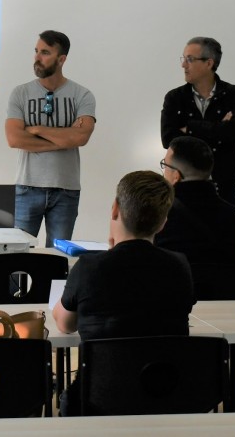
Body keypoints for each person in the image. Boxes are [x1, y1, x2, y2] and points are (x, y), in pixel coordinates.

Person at [53, 170, 194, 415]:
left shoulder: (88, 267)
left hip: (100, 397)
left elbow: (65, 323)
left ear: (115, 209)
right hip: (165, 395)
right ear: (162, 223)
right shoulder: (180, 266)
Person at [5, 30, 97, 246]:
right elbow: (14, 138)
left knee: (57, 261)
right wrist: (64, 138)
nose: (37, 57)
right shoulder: (20, 93)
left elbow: (82, 136)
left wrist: (36, 129)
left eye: (45, 52)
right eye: (36, 51)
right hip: (27, 188)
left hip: (66, 190)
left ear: (62, 59)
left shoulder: (82, 95)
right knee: (16, 260)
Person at [161, 36, 235, 207]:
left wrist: (189, 128)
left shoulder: (232, 93)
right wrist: (218, 128)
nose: (183, 65)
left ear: (209, 63)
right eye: (183, 59)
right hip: (183, 187)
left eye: (190, 59)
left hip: (223, 188)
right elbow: (168, 139)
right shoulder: (175, 97)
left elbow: (233, 133)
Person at [155, 136, 235, 266]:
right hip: (222, 287)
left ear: (176, 176)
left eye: (165, 166)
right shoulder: (234, 217)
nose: (164, 173)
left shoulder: (161, 215)